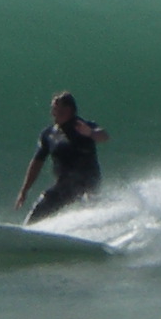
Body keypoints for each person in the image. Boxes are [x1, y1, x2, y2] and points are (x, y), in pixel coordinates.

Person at [16, 91, 108, 224]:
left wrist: (91, 133)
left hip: (88, 183)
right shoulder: (48, 134)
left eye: (56, 108)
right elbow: (37, 163)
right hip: (64, 185)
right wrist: (24, 190)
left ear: (68, 109)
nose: (53, 112)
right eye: (53, 108)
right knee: (40, 208)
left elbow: (104, 136)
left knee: (84, 208)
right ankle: (27, 234)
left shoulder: (83, 126)